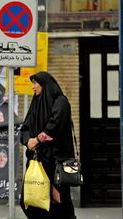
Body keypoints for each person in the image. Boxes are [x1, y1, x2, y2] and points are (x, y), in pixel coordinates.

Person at [20, 71, 76, 219]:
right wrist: (28, 141)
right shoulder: (36, 102)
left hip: (55, 161)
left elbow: (55, 125)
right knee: (28, 201)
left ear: (45, 85)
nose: (32, 87)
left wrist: (37, 140)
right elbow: (25, 127)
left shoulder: (61, 102)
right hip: (37, 160)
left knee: (59, 203)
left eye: (35, 83)